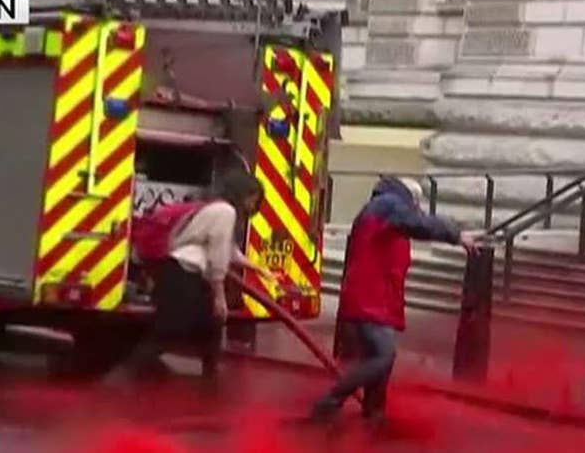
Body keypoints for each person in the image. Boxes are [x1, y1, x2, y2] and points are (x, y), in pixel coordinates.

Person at [311, 176, 478, 423]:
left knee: (378, 358)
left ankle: (374, 411)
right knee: (383, 356)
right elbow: (418, 224)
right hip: (369, 300)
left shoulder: (385, 210)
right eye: (416, 203)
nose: (418, 208)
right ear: (409, 197)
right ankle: (331, 400)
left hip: (375, 299)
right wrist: (455, 235)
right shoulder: (389, 205)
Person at [118, 169, 274, 381]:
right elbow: (218, 256)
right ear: (244, 194)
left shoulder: (215, 207)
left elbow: (228, 250)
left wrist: (258, 269)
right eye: (254, 198)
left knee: (209, 324)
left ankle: (209, 372)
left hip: (181, 272)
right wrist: (220, 296)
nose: (254, 205)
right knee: (172, 328)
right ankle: (128, 372)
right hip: (183, 274)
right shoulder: (225, 212)